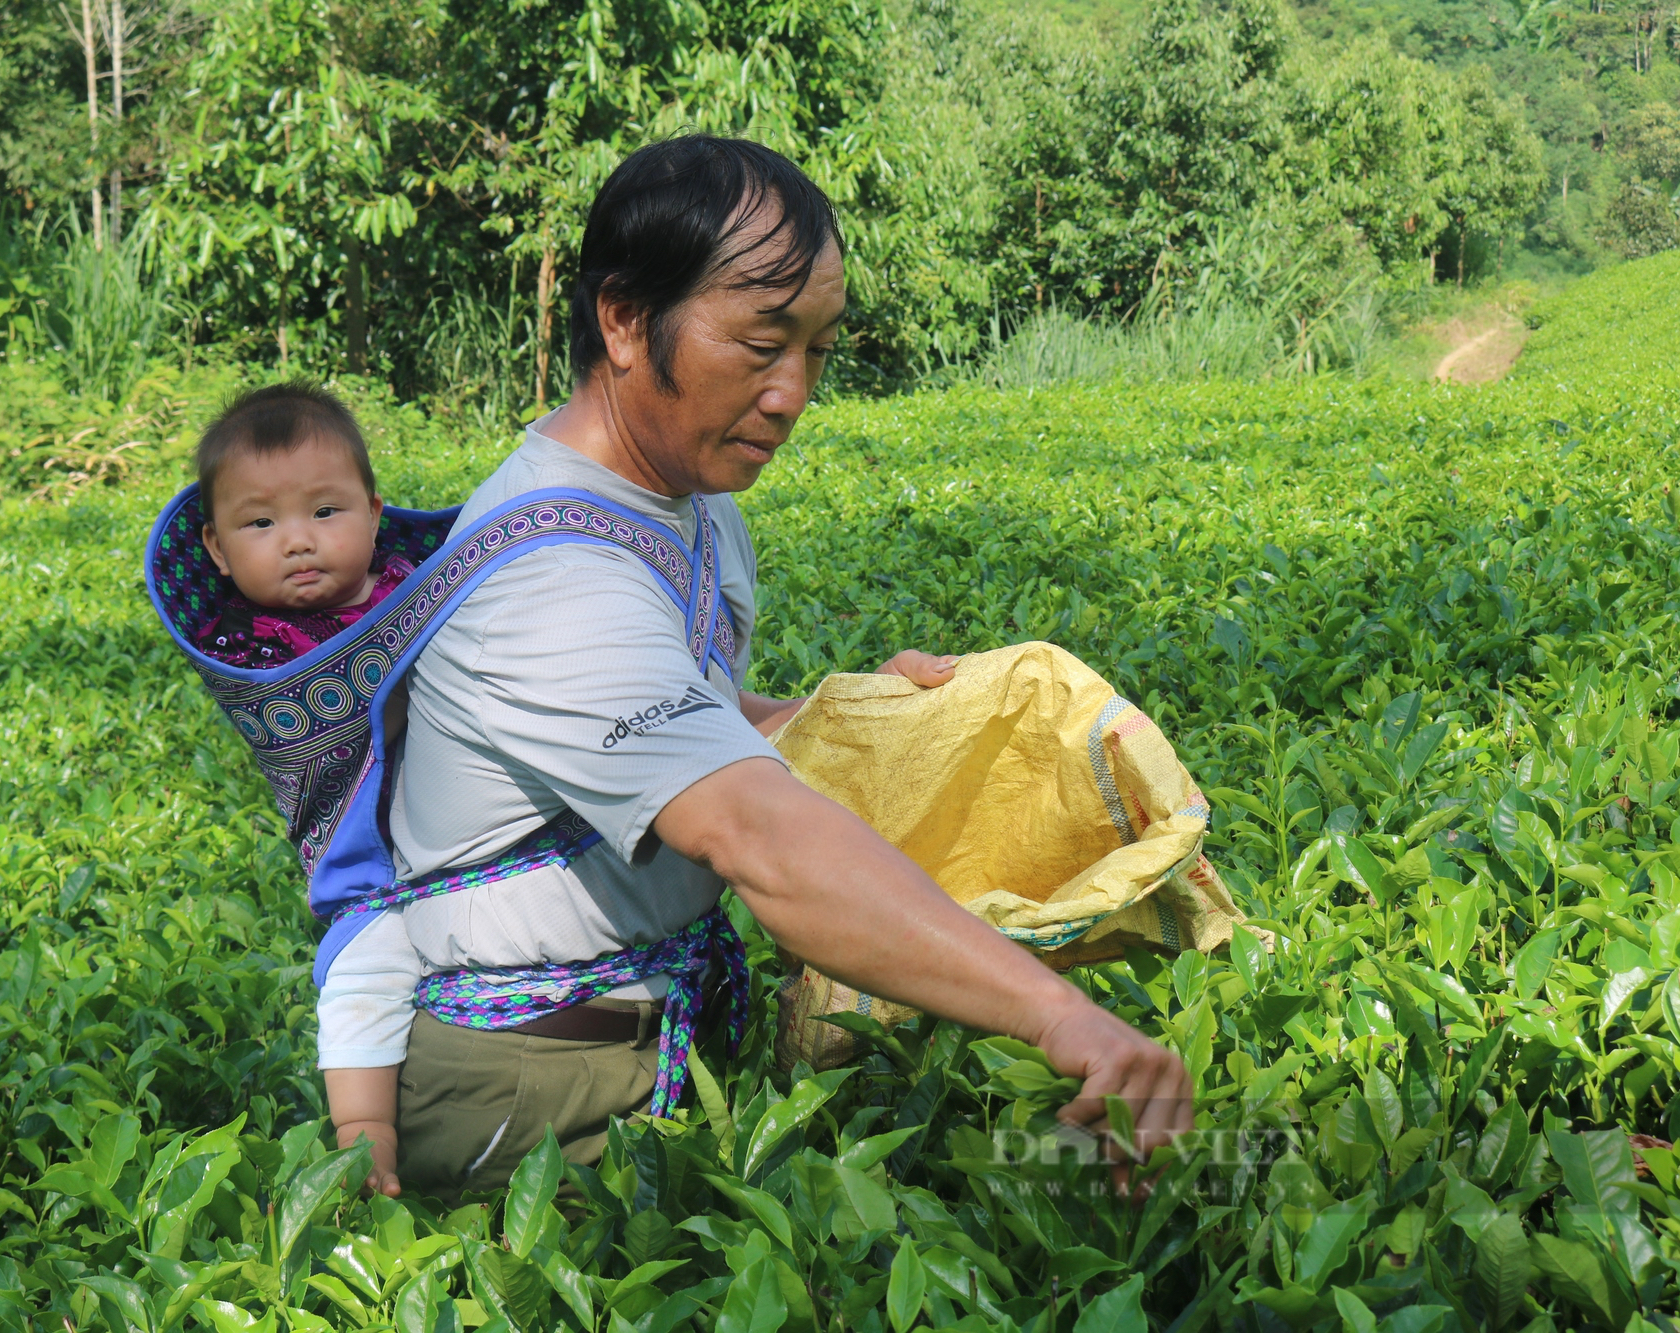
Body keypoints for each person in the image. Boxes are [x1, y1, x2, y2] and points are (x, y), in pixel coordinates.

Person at [319, 135, 1195, 1201]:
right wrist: (1057, 1014)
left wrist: (861, 717)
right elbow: (753, 834)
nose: (791, 394)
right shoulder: (547, 580)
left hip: (670, 1038)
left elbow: (696, 718)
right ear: (626, 321)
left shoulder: (690, 503)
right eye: (761, 341)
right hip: (534, 1096)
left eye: (818, 350)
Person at [190, 384, 417, 669]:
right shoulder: (243, 645)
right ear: (219, 548)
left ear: (371, 518)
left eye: (324, 512)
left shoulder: (410, 577)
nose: (298, 542)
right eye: (262, 522)